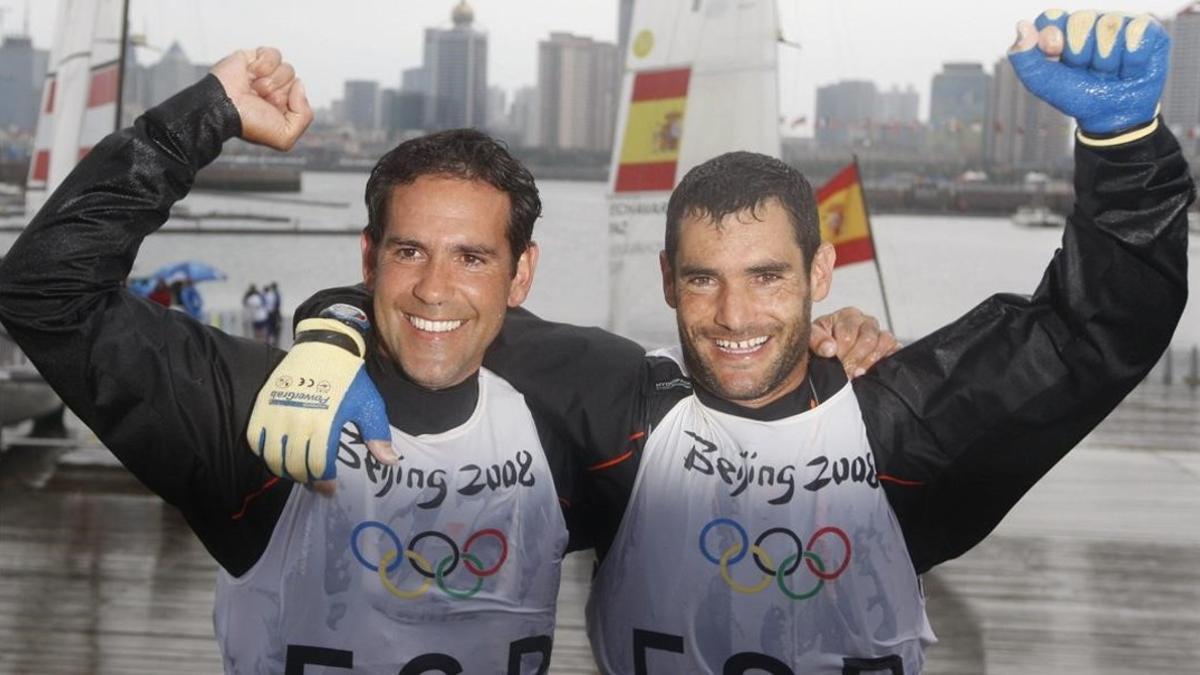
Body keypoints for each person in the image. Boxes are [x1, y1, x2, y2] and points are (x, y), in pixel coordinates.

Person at [255, 9, 1191, 673]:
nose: (735, 316)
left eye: (768, 277)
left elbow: (1091, 330)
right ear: (669, 282)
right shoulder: (619, 406)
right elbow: (441, 303)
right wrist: (335, 329)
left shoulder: (898, 425)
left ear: (821, 278)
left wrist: (1126, 149)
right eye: (704, 278)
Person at [0, 47, 891, 673]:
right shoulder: (269, 412)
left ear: (521, 274)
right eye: (408, 252)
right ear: (369, 257)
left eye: (471, 258)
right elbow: (44, 292)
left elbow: (739, 392)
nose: (434, 288)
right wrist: (204, 115)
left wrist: (822, 348)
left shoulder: (573, 417)